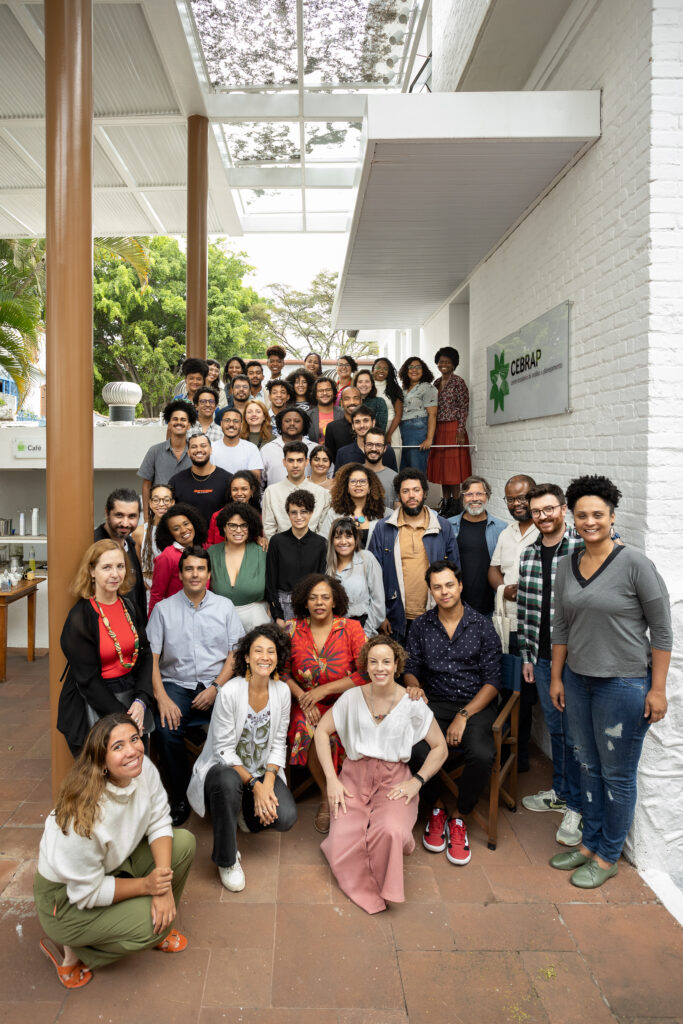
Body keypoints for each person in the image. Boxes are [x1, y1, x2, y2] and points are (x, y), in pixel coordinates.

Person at [549, 476, 672, 889]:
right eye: (581, 515)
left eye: (597, 514)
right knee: (586, 766)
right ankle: (589, 843)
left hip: (622, 686)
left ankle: (608, 855)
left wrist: (657, 689)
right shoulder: (566, 564)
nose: (589, 521)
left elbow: (663, 631)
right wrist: (556, 677)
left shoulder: (635, 564)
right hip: (577, 681)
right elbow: (561, 626)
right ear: (572, 518)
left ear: (613, 516)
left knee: (616, 774)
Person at [34, 714, 195, 989]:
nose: (132, 751)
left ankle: (160, 922)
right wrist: (147, 885)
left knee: (184, 843)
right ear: (101, 761)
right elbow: (87, 892)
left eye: (134, 739)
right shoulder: (81, 817)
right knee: (148, 927)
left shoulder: (142, 770)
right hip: (66, 899)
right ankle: (74, 950)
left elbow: (159, 821)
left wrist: (163, 886)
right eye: (118, 747)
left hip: (112, 865)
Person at [317, 636, 447, 913]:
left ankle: (395, 847)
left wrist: (417, 781)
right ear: (365, 665)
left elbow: (440, 747)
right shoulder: (352, 697)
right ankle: (367, 875)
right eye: (373, 662)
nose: (380, 668)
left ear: (397, 665)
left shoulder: (412, 702)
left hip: (394, 778)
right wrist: (331, 779)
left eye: (386, 661)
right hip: (354, 776)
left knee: (389, 831)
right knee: (341, 842)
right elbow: (320, 732)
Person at [406, 559, 502, 867]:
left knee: (483, 753)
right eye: (437, 587)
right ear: (431, 591)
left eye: (449, 585)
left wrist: (464, 714)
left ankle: (460, 814)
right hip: (434, 702)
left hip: (475, 703)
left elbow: (492, 682)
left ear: (460, 586)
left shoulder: (481, 625)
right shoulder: (421, 625)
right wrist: (414, 687)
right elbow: (410, 669)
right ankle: (436, 806)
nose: (444, 592)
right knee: (415, 748)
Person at [187, 624, 297, 892]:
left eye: (271, 651)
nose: (265, 657)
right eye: (258, 650)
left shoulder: (282, 691)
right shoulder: (230, 691)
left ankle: (245, 814)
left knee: (287, 817)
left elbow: (279, 741)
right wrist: (256, 786)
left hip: (260, 769)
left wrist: (267, 783)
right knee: (226, 783)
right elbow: (224, 750)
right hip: (225, 767)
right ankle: (226, 859)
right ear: (246, 657)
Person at [147, 546, 244, 825]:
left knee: (235, 726)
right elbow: (151, 659)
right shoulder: (164, 610)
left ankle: (227, 792)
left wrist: (215, 687)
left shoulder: (224, 606)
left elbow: (235, 653)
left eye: (200, 569)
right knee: (166, 729)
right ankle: (179, 795)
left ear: (209, 574)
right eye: (188, 569)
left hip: (218, 683)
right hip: (177, 684)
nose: (194, 574)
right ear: (179, 573)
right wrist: (162, 697)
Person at [517, 483, 584, 848]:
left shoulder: (582, 546)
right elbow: (526, 611)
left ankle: (577, 805)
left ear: (562, 508)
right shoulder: (528, 555)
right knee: (557, 729)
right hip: (541, 658)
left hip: (577, 659)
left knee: (576, 735)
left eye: (549, 509)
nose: (543, 516)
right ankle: (561, 791)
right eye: (537, 511)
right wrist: (528, 657)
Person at [283, 573, 366, 833]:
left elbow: (364, 674)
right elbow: (282, 672)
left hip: (345, 701)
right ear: (304, 602)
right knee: (304, 728)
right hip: (305, 701)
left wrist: (324, 691)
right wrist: (304, 699)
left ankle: (354, 793)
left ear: (334, 601)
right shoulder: (291, 629)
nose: (319, 602)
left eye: (325, 597)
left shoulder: (351, 628)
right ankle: (326, 795)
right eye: (313, 597)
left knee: (341, 730)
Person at [57, 540, 154, 756]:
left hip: (131, 699)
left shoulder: (129, 606)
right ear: (91, 570)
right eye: (106, 567)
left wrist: (141, 700)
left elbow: (145, 654)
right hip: (95, 703)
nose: (115, 574)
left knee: (136, 771)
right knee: (103, 778)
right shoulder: (80, 618)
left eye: (120, 566)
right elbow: (88, 681)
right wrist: (123, 720)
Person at [368, 468, 460, 647]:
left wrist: (450, 611)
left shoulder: (443, 527)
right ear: (399, 495)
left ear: (425, 493)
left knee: (431, 671)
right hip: (394, 618)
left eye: (416, 490)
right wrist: (380, 615)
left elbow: (455, 570)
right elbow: (373, 576)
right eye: (405, 491)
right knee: (398, 670)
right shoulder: (383, 528)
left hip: (434, 614)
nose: (411, 495)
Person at [487, 474, 538, 769]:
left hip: (532, 628)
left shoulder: (544, 531)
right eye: (511, 499)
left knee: (525, 695)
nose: (517, 503)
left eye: (522, 497)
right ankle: (505, 751)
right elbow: (494, 569)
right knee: (508, 688)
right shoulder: (507, 533)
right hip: (506, 626)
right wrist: (504, 589)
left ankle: (519, 760)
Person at [265, 490, 327, 624]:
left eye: (303, 511)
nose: (298, 517)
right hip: (283, 605)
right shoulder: (277, 541)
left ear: (311, 513)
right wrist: (278, 615)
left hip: (311, 605)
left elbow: (322, 578)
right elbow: (270, 581)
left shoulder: (321, 543)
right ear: (288, 514)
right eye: (294, 512)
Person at [448, 476, 507, 616]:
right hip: (456, 606)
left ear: (487, 497)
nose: (474, 498)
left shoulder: (501, 528)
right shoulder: (449, 526)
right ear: (462, 497)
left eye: (479, 493)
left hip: (490, 609)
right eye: (469, 494)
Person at [208, 502, 269, 630]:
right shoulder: (211, 553)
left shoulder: (262, 551)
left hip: (257, 620)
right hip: (219, 620)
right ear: (224, 527)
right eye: (232, 525)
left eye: (244, 525)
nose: (239, 530)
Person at [427, 347, 472, 517]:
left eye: (447, 361)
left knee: (453, 470)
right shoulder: (436, 383)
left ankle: (457, 505)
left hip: (454, 428)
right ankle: (445, 503)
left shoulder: (458, 382)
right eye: (440, 361)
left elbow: (463, 407)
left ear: (454, 364)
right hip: (438, 428)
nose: (443, 364)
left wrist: (460, 430)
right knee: (442, 470)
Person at [138, 401, 196, 520]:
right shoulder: (154, 451)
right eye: (175, 419)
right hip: (160, 516)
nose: (179, 422)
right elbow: (146, 485)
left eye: (183, 419)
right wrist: (146, 518)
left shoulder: (196, 452)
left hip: (189, 517)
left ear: (189, 425)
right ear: (169, 424)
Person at [327, 517, 385, 635]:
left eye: (348, 536)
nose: (343, 542)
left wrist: (366, 633)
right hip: (333, 629)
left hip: (362, 626)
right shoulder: (327, 564)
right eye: (338, 537)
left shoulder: (367, 559)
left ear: (355, 539)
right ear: (332, 540)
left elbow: (378, 603)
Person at [95, 488, 147, 621]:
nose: (125, 523)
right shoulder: (95, 545)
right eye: (119, 515)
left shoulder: (130, 543)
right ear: (107, 513)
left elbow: (138, 593)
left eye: (132, 516)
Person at [262, 441, 330, 539]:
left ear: (306, 462)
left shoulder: (321, 493)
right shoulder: (271, 492)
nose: (295, 465)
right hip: (280, 550)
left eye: (299, 460)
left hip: (313, 550)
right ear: (284, 462)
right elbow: (269, 529)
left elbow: (323, 531)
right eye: (290, 460)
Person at [148, 503, 207, 615]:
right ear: (170, 534)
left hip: (204, 614)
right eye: (176, 528)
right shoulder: (167, 557)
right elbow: (157, 594)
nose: (184, 530)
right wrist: (152, 625)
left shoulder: (205, 549)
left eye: (186, 524)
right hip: (177, 615)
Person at [320, 463, 391, 550]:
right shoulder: (334, 513)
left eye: (363, 481)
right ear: (346, 488)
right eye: (353, 481)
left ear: (370, 488)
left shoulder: (386, 514)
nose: (358, 484)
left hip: (376, 563)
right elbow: (324, 543)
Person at [169, 434, 232, 525]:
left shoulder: (228, 480)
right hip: (187, 537)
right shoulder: (176, 481)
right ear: (188, 452)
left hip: (218, 538)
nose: (199, 450)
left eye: (203, 446)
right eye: (194, 447)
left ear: (210, 450)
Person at [398, 356, 438, 473]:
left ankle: (422, 491)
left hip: (417, 431)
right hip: (403, 431)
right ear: (406, 370)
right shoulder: (404, 389)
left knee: (417, 471)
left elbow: (432, 415)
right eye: (411, 367)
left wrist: (429, 439)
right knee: (405, 471)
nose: (414, 370)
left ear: (423, 370)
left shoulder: (427, 387)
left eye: (418, 367)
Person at [260, 407, 316, 487]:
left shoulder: (315, 449)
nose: (292, 424)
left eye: (297, 421)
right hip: (276, 498)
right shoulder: (267, 449)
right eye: (287, 421)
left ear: (304, 424)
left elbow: (327, 476)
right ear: (280, 424)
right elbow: (259, 482)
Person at [207, 470, 264, 546]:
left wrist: (262, 540)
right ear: (230, 492)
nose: (239, 493)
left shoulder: (259, 517)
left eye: (244, 489)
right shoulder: (217, 516)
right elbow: (209, 545)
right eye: (235, 489)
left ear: (252, 491)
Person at [334, 405, 398, 472]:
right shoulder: (343, 454)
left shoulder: (387, 451)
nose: (362, 425)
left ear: (373, 423)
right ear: (353, 426)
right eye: (357, 422)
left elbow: (393, 478)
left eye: (366, 420)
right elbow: (337, 481)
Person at [139, 483, 175, 596]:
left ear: (173, 502)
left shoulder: (178, 531)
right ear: (149, 503)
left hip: (173, 587)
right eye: (156, 500)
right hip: (148, 588)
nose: (161, 504)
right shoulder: (139, 532)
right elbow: (134, 563)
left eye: (166, 500)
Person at [210, 408, 264, 482]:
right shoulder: (211, 448)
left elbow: (255, 479)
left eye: (236, 421)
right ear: (221, 424)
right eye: (227, 420)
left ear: (241, 425)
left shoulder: (251, 448)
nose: (231, 424)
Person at [372, 357, 403, 455]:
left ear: (389, 372)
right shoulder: (367, 386)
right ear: (373, 369)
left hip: (391, 429)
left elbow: (398, 414)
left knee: (393, 459)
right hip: (372, 429)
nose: (381, 370)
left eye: (385, 369)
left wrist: (388, 434)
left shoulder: (394, 388)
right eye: (378, 367)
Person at [322, 386, 362, 462]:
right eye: (347, 399)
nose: (352, 402)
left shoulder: (371, 426)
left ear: (361, 401)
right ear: (341, 403)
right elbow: (330, 459)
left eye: (356, 398)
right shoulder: (332, 428)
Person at [363, 426, 397, 503]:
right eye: (369, 444)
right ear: (364, 446)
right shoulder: (353, 474)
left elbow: (398, 509)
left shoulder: (395, 478)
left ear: (385, 448)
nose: (373, 449)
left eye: (378, 445)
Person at [308, 376, 343, 445]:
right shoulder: (308, 416)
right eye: (320, 390)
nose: (324, 393)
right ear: (315, 395)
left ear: (334, 393)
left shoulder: (343, 414)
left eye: (328, 390)